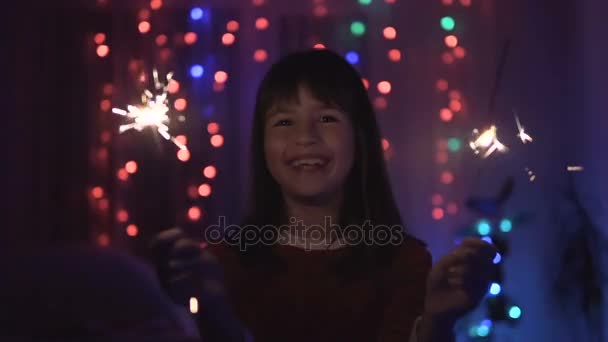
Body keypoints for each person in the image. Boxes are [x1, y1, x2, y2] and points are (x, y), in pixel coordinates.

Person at [152, 49, 497, 342]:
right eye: (285, 122)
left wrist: (437, 322)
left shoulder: (404, 263)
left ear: (359, 139)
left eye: (327, 118)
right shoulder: (222, 266)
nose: (306, 137)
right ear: (262, 145)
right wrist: (214, 314)